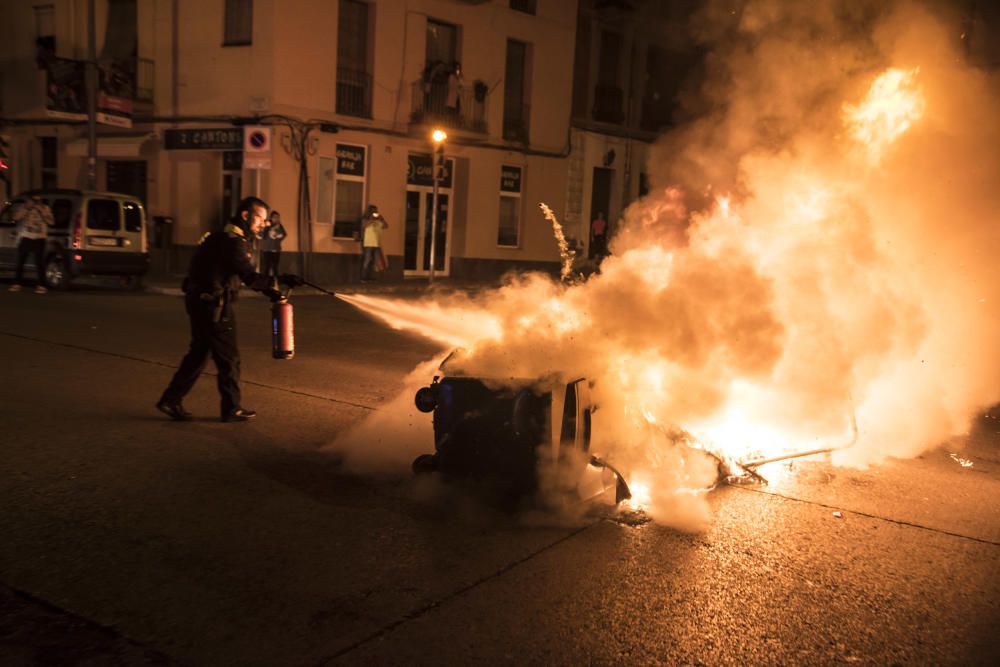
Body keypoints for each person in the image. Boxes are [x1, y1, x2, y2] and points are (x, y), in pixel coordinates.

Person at [156, 196, 285, 423]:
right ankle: (231, 408)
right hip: (215, 306)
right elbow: (247, 274)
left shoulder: (221, 236)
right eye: (260, 219)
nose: (263, 224)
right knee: (229, 359)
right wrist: (274, 286)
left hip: (200, 301)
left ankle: (171, 399)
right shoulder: (233, 240)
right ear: (246, 215)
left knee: (199, 354)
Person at [9, 195, 53, 293]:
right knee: (20, 260)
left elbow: (51, 222)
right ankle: (17, 283)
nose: (35, 203)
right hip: (26, 237)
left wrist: (41, 210)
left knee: (39, 262)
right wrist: (26, 208)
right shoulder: (25, 208)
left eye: (37, 200)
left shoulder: (45, 208)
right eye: (33, 200)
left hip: (40, 238)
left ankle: (41, 285)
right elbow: (15, 218)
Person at [360, 204, 388, 282]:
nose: (375, 212)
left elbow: (386, 226)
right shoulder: (366, 219)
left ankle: (370, 277)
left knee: (374, 261)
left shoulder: (378, 220)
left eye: (375, 210)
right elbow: (364, 226)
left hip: (376, 243)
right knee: (367, 260)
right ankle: (363, 277)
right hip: (368, 243)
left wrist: (381, 219)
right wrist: (371, 219)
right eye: (373, 211)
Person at [260, 210, 286, 278]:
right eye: (275, 217)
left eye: (278, 217)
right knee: (266, 268)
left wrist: (278, 235)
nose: (277, 219)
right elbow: (262, 235)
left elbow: (284, 234)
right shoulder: (266, 224)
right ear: (271, 218)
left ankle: (275, 283)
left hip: (276, 250)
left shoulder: (280, 226)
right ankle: (265, 283)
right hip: (266, 249)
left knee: (275, 268)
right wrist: (267, 227)